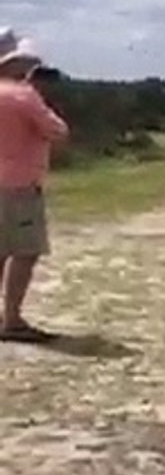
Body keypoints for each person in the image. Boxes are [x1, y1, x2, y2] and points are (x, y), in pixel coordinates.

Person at [0, 29, 69, 342]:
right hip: (19, 185)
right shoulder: (22, 95)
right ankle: (11, 319)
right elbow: (57, 131)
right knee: (25, 251)